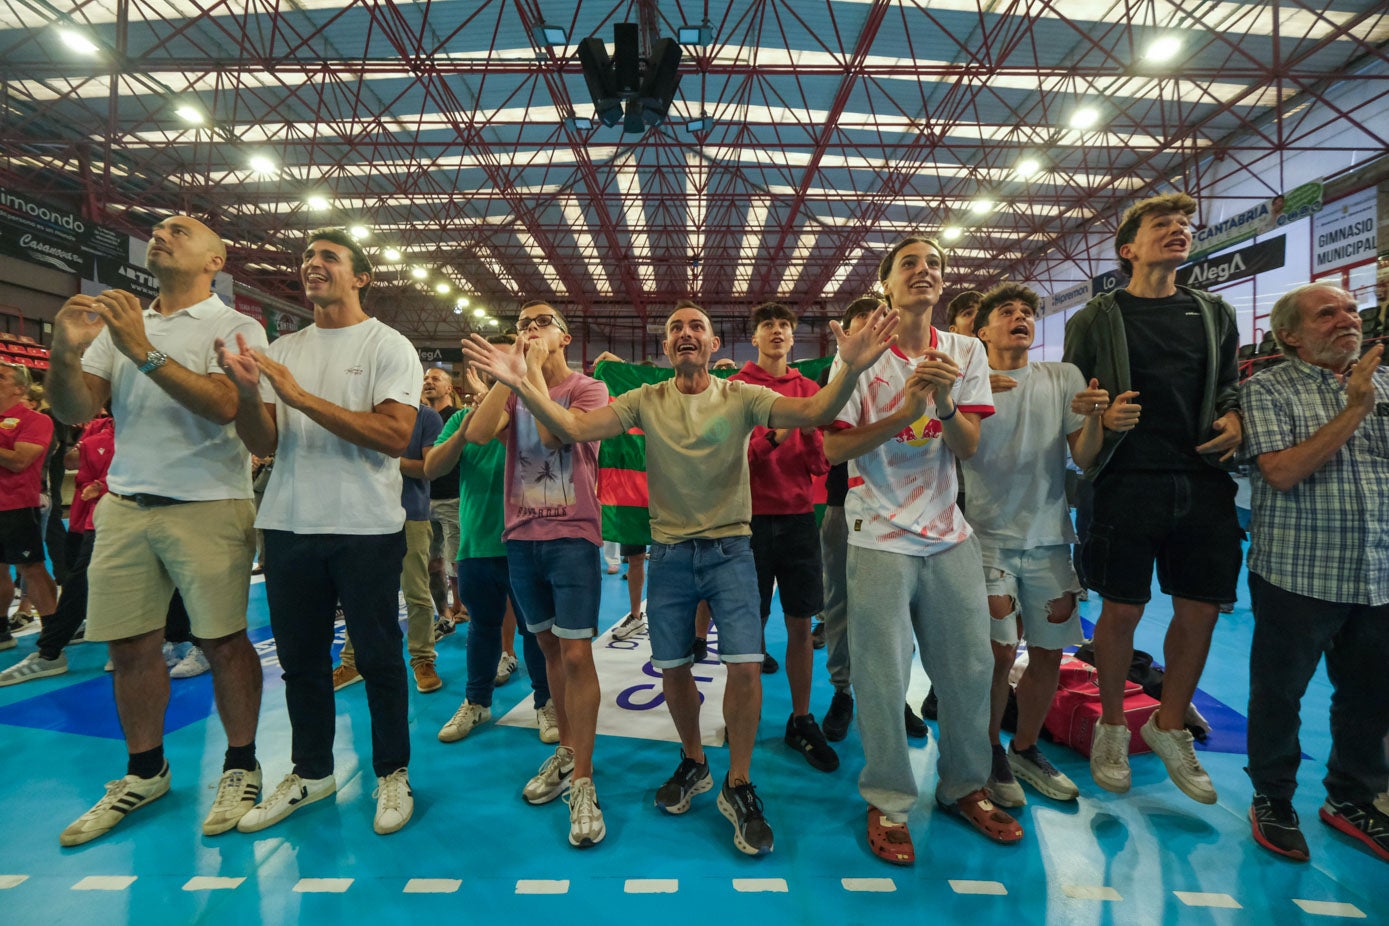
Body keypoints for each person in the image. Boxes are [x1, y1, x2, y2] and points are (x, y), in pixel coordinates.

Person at [463, 298, 899, 857]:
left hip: (731, 550)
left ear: (715, 346)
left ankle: (737, 782)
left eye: (698, 325)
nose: (686, 333)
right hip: (669, 555)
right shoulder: (645, 400)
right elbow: (570, 425)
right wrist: (521, 384)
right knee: (674, 669)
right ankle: (694, 762)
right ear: (667, 349)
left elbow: (814, 413)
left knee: (743, 666)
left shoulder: (741, 396)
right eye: (676, 329)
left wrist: (853, 369)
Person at [46, 214, 266, 845]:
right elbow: (74, 407)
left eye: (181, 230)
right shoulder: (117, 327)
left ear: (214, 260)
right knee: (129, 647)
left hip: (208, 503)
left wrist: (140, 347)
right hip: (125, 505)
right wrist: (64, 352)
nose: (162, 233)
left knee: (223, 642)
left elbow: (228, 406)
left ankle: (241, 764)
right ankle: (145, 770)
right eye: (159, 229)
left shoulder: (234, 326)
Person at [825, 236, 1022, 866]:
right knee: (881, 675)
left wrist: (939, 402)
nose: (924, 271)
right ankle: (887, 797)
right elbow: (833, 449)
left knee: (970, 669)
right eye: (909, 263)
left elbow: (966, 446)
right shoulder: (859, 356)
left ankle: (966, 785)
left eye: (933, 263)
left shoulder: (964, 350)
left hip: (947, 533)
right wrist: (903, 410)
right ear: (886, 283)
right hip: (878, 533)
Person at [220, 227, 420, 836]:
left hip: (364, 527)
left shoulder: (390, 346)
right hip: (289, 524)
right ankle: (311, 771)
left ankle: (392, 773)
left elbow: (394, 435)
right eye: (307, 257)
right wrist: (249, 394)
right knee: (302, 662)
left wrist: (299, 395)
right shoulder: (286, 347)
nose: (313, 264)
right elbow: (265, 444)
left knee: (380, 658)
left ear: (360, 277)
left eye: (328, 257)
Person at [1063, 192, 1244, 805]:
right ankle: (1112, 723)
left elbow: (1227, 389)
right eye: (1161, 225)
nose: (1178, 231)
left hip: (1202, 481)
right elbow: (1077, 398)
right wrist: (1101, 416)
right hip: (1126, 479)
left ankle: (1168, 726)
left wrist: (1235, 419)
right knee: (1120, 610)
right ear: (1128, 248)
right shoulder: (1095, 318)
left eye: (1184, 225)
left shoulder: (1214, 313)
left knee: (1200, 609)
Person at [1241, 283, 1389, 863]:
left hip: (1377, 573)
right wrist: (1354, 408)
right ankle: (1273, 797)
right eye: (1327, 313)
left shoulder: (1384, 384)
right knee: (1278, 694)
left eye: (1350, 311)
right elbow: (1280, 472)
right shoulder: (1267, 389)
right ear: (1291, 336)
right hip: (1299, 574)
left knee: (1370, 697)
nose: (1346, 320)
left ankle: (1352, 797)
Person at [464, 301, 610, 848]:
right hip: (521, 539)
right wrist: (505, 382)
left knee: (576, 654)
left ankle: (585, 780)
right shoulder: (512, 387)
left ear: (565, 336)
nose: (529, 329)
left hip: (571, 536)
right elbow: (479, 434)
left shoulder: (587, 391)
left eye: (541, 321)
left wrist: (526, 380)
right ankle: (566, 752)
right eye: (522, 322)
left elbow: (554, 438)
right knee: (548, 651)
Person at [961, 283, 1106, 807]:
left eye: (1028, 312)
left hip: (1048, 538)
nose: (1021, 318)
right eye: (1007, 311)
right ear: (982, 331)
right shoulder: (969, 382)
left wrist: (1093, 418)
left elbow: (1085, 457)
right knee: (999, 652)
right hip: (986, 538)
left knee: (1048, 650)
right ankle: (989, 751)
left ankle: (1024, 747)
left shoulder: (1061, 377)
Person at [729, 302, 837, 772]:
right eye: (768, 325)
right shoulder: (735, 389)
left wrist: (810, 434)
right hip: (746, 522)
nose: (777, 331)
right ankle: (741, 719)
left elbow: (818, 466)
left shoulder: (809, 391)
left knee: (800, 624)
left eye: (784, 326)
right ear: (755, 337)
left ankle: (801, 718)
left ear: (793, 339)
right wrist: (771, 437)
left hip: (797, 520)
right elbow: (727, 461)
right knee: (747, 628)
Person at [431, 345, 555, 747]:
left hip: (526, 543)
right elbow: (433, 467)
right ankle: (477, 700)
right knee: (482, 628)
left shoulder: (534, 419)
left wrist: (505, 396)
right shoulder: (467, 420)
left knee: (536, 631)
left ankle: (546, 703)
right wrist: (463, 432)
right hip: (478, 545)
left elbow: (542, 468)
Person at [334, 392, 444, 693]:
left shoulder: (426, 417)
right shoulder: (361, 410)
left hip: (411, 514)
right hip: (365, 516)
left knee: (416, 593)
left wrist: (387, 460)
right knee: (360, 593)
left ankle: (423, 659)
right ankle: (352, 661)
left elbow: (427, 468)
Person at [0, 363, 55, 652]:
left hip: (16, 506)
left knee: (31, 569)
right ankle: (1, 633)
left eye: (1, 376)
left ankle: (52, 634)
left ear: (20, 388)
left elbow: (20, 460)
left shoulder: (34, 420)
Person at [422, 366, 466, 624]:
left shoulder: (458, 418)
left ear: (449, 388)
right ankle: (444, 612)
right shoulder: (420, 418)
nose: (429, 383)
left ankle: (462, 607)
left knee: (457, 560)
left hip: (454, 497)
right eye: (426, 379)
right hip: (425, 500)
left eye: (435, 379)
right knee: (433, 563)